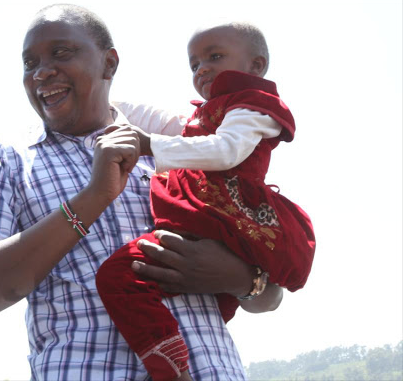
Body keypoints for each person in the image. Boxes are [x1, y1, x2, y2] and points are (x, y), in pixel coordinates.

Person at [0, 4, 284, 381]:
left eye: (61, 53)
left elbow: (271, 295)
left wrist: (237, 277)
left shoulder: (182, 147)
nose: (41, 72)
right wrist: (92, 198)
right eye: (29, 62)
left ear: (109, 64)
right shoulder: (5, 159)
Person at [96, 23, 316, 380]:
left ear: (256, 66)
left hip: (220, 218)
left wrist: (148, 144)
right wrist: (97, 100)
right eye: (194, 64)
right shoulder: (206, 115)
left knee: (119, 275)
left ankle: (168, 361)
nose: (202, 69)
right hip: (206, 221)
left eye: (214, 57)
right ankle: (175, 352)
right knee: (205, 303)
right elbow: (150, 116)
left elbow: (227, 150)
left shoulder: (254, 108)